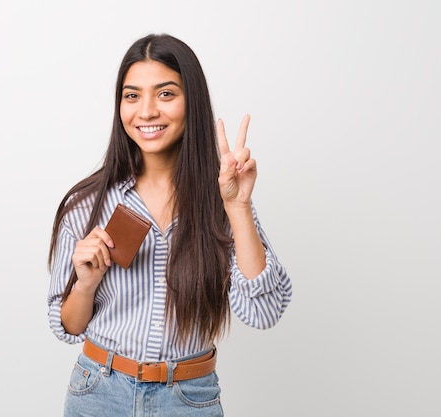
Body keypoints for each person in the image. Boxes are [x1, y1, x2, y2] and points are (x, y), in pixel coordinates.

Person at [47, 33, 292, 416]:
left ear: (191, 102)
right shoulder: (87, 205)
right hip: (98, 394)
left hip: (189, 399)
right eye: (132, 96)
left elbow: (264, 313)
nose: (146, 111)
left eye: (165, 94)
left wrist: (238, 206)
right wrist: (86, 283)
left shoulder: (223, 201)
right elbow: (68, 327)